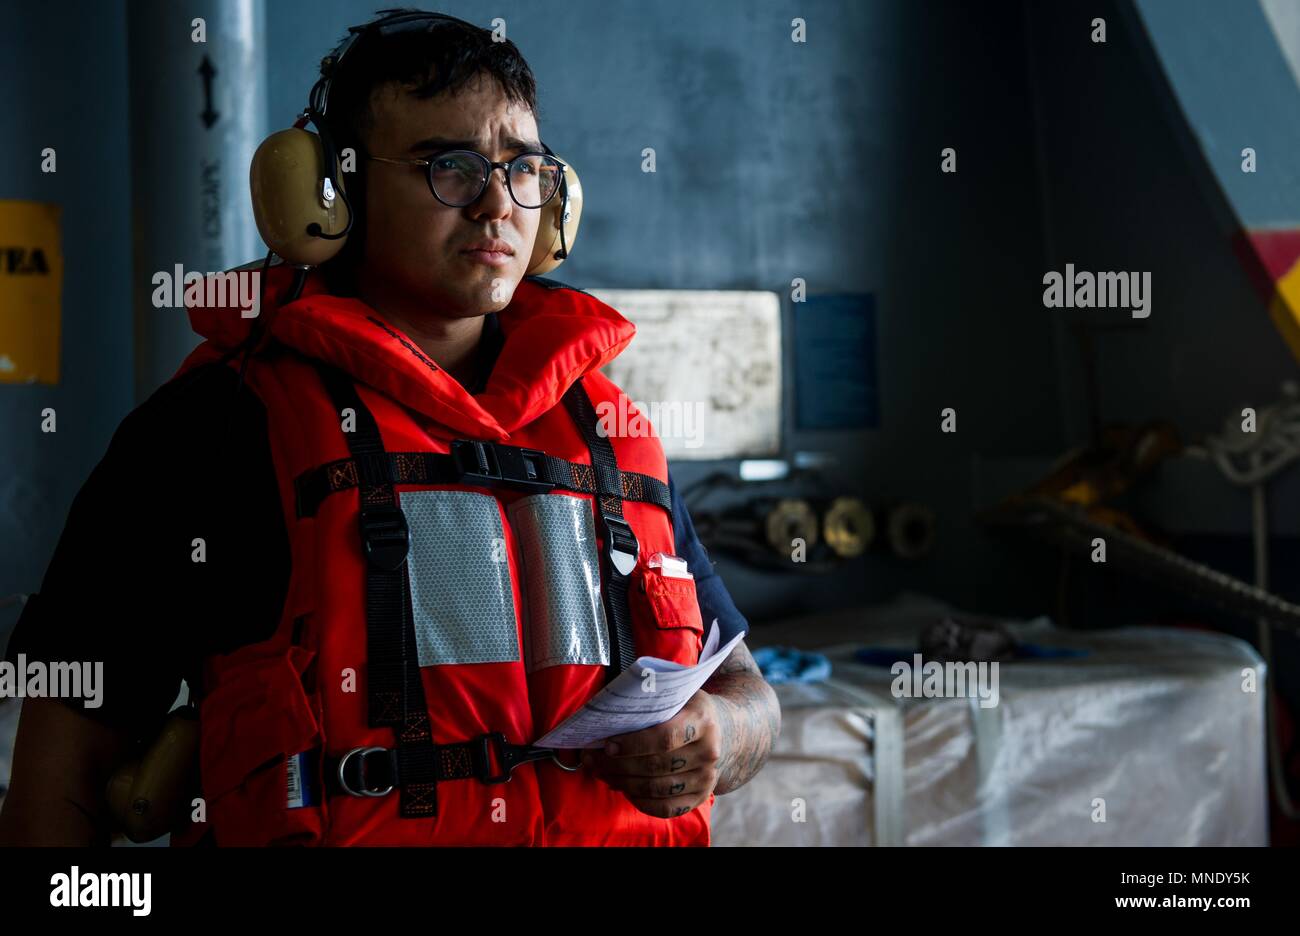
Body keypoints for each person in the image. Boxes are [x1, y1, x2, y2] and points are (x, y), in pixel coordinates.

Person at [0, 9, 779, 847]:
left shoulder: (608, 427)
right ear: (328, 194)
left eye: (523, 170)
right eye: (449, 166)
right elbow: (63, 773)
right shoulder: (213, 426)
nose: (495, 204)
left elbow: (745, 688)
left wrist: (719, 737)